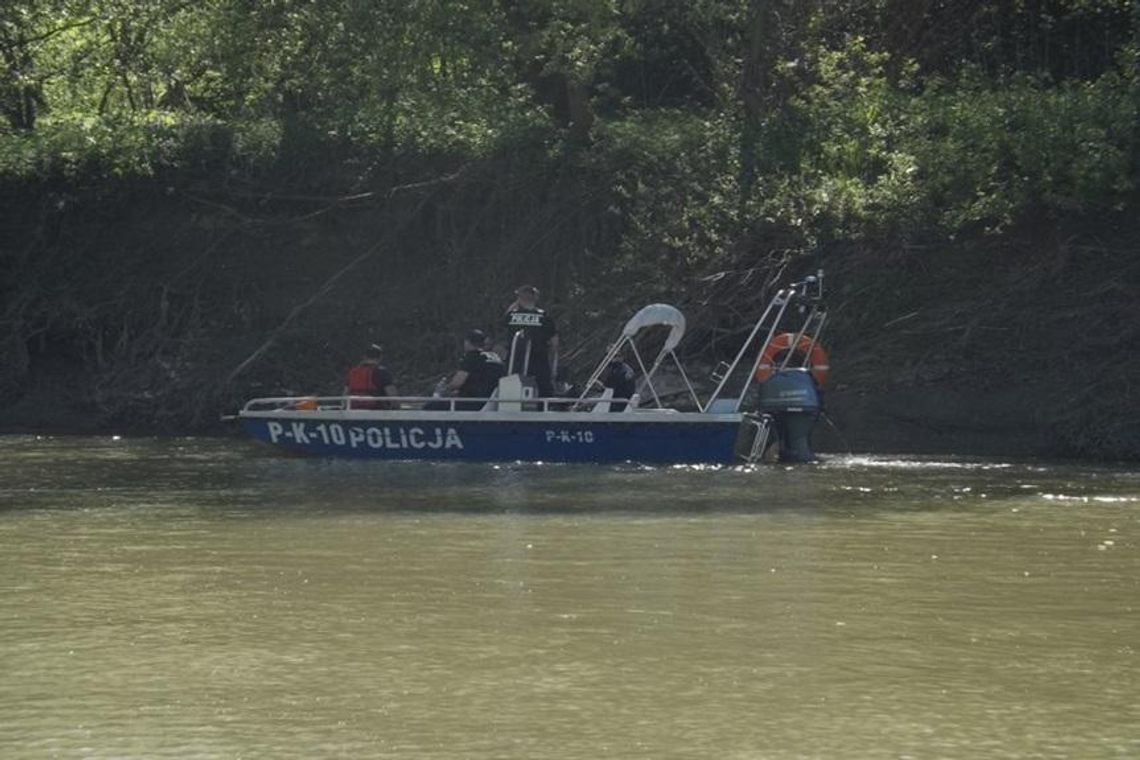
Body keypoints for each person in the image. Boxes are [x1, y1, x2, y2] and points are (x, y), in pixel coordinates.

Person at [426, 329, 505, 411]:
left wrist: (443, 389)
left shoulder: (471, 357)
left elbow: (457, 383)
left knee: (431, 407)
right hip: (490, 403)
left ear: (467, 342)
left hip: (471, 403)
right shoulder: (495, 358)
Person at [503, 284, 558, 398]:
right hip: (539, 362)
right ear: (536, 298)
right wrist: (552, 364)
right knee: (543, 394)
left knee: (512, 394)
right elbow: (554, 344)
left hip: (515, 362)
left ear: (519, 298)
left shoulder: (511, 316)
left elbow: (503, 329)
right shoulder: (544, 317)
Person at [344, 344, 398, 409]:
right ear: (380, 357)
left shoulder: (353, 372)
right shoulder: (382, 372)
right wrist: (397, 408)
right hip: (376, 410)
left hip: (354, 409)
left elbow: (345, 393)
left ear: (364, 357)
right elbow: (392, 395)